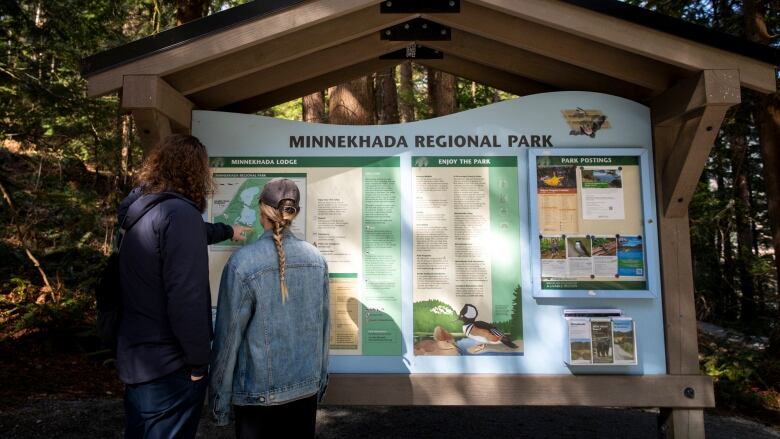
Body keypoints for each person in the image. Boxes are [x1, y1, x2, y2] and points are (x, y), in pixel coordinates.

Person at [117, 134, 250, 439]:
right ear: (195, 171)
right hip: (170, 367)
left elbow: (183, 234)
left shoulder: (141, 213)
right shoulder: (180, 215)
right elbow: (186, 298)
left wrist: (228, 230)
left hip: (138, 362)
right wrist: (199, 362)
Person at [209, 178, 330, 439]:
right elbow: (324, 329)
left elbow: (228, 340)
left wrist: (219, 402)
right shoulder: (317, 260)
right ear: (293, 214)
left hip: (257, 397)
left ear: (262, 210)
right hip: (304, 394)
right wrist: (318, 384)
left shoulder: (242, 263)